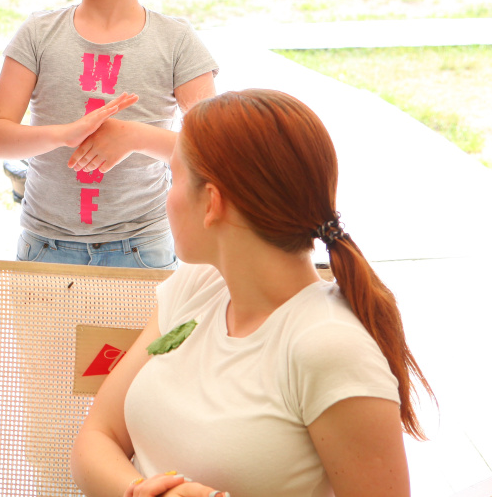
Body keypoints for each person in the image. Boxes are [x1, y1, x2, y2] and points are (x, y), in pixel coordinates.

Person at [70, 89, 433, 497]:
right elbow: (96, 437)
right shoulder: (198, 287)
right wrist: (141, 492)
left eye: (173, 178)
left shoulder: (331, 350)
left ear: (212, 203)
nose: (168, 199)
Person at [0, 0, 217, 269]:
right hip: (45, 245)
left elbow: (215, 153)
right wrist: (62, 135)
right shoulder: (37, 33)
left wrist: (135, 136)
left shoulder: (177, 42)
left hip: (142, 249)